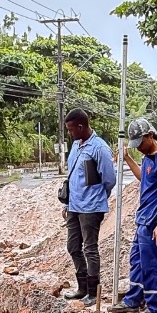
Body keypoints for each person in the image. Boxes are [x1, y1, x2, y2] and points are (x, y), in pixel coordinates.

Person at [109, 118, 157, 313]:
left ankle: (155, 307)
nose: (138, 148)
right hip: (143, 218)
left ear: (150, 135)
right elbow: (144, 178)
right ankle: (133, 300)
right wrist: (128, 159)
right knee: (137, 261)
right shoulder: (147, 157)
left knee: (153, 264)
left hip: (154, 221)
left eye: (140, 143)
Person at [61, 108, 116, 302]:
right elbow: (72, 175)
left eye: (71, 129)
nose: (70, 133)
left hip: (91, 207)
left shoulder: (99, 148)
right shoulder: (77, 145)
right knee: (73, 246)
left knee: (90, 248)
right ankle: (82, 287)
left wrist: (98, 196)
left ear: (81, 126)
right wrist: (68, 203)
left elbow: (109, 179)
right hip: (74, 206)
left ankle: (93, 293)